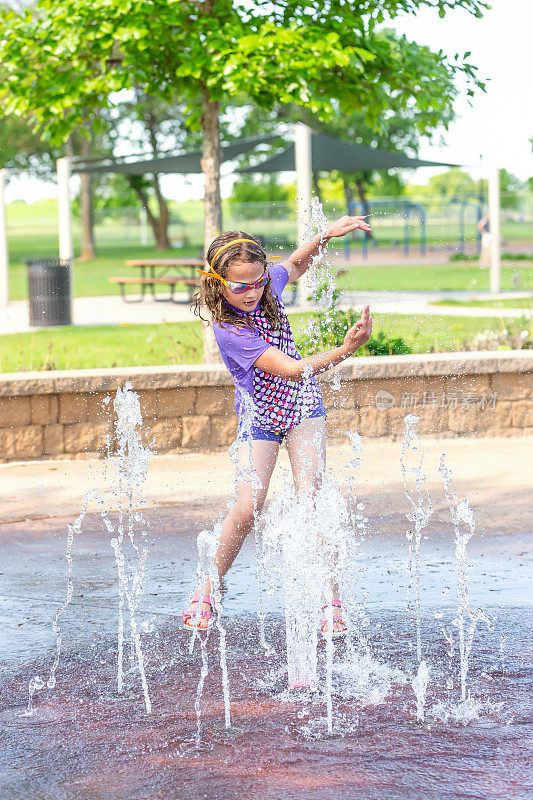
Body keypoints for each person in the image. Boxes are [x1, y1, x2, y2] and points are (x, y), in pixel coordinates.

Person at [184, 217, 373, 635]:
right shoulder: (230, 328)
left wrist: (326, 234)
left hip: (303, 408)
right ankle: (208, 590)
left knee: (311, 500)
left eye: (257, 282)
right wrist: (346, 349)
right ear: (217, 283)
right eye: (240, 286)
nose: (252, 292)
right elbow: (290, 369)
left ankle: (330, 601)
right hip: (261, 416)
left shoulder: (266, 284)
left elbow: (297, 263)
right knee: (249, 504)